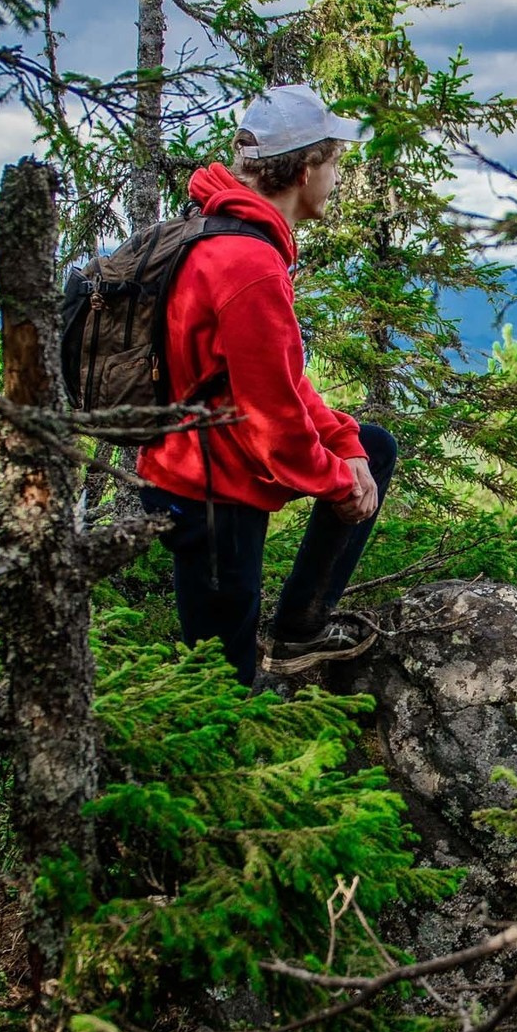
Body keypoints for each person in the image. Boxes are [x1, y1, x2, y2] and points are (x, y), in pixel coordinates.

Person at [134, 84, 398, 686]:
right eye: (334, 162)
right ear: (306, 170)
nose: (338, 175)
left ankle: (298, 633)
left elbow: (280, 376)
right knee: (223, 684)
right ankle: (227, 754)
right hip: (207, 488)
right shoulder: (248, 266)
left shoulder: (229, 235)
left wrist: (347, 444)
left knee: (374, 446)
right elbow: (272, 423)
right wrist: (338, 483)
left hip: (205, 464)